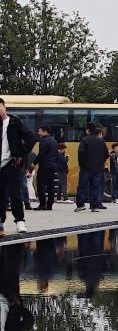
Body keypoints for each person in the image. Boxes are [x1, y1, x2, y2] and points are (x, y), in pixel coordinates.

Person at [0, 99, 34, 235]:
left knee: (15, 194)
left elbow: (31, 138)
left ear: (4, 107)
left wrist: (20, 153)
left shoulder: (14, 123)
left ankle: (20, 221)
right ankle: (1, 223)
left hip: (11, 164)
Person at [74, 123, 108, 213]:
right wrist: (100, 162)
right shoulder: (101, 141)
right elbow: (106, 154)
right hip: (98, 168)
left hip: (86, 168)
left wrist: (82, 164)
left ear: (88, 130)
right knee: (95, 187)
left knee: (82, 186)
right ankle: (94, 205)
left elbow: (81, 153)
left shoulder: (84, 140)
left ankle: (81, 205)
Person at [34, 126, 59, 211]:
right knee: (50, 185)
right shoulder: (54, 141)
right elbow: (56, 154)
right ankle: (49, 205)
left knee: (40, 185)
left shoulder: (43, 141)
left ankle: (42, 204)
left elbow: (41, 154)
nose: (38, 133)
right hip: (52, 166)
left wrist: (34, 163)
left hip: (44, 166)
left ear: (45, 131)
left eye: (39, 131)